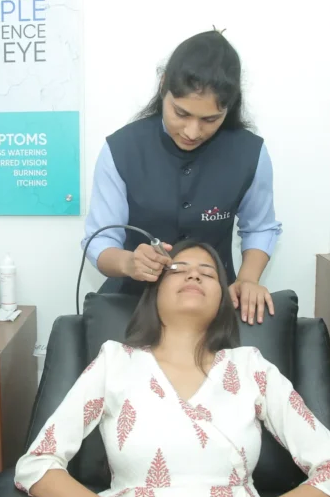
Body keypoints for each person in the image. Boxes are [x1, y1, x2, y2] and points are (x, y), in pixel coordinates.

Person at [14, 240, 330, 497]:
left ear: (223, 301)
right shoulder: (114, 363)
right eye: (178, 269)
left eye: (208, 273)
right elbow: (36, 466)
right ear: (154, 293)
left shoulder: (250, 368)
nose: (194, 275)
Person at [82, 30, 282, 325]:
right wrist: (129, 262)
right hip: (131, 306)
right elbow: (99, 240)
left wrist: (248, 279)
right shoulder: (121, 149)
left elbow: (260, 227)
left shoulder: (250, 153)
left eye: (210, 119)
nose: (192, 131)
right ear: (163, 85)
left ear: (229, 107)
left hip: (209, 308)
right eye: (181, 113)